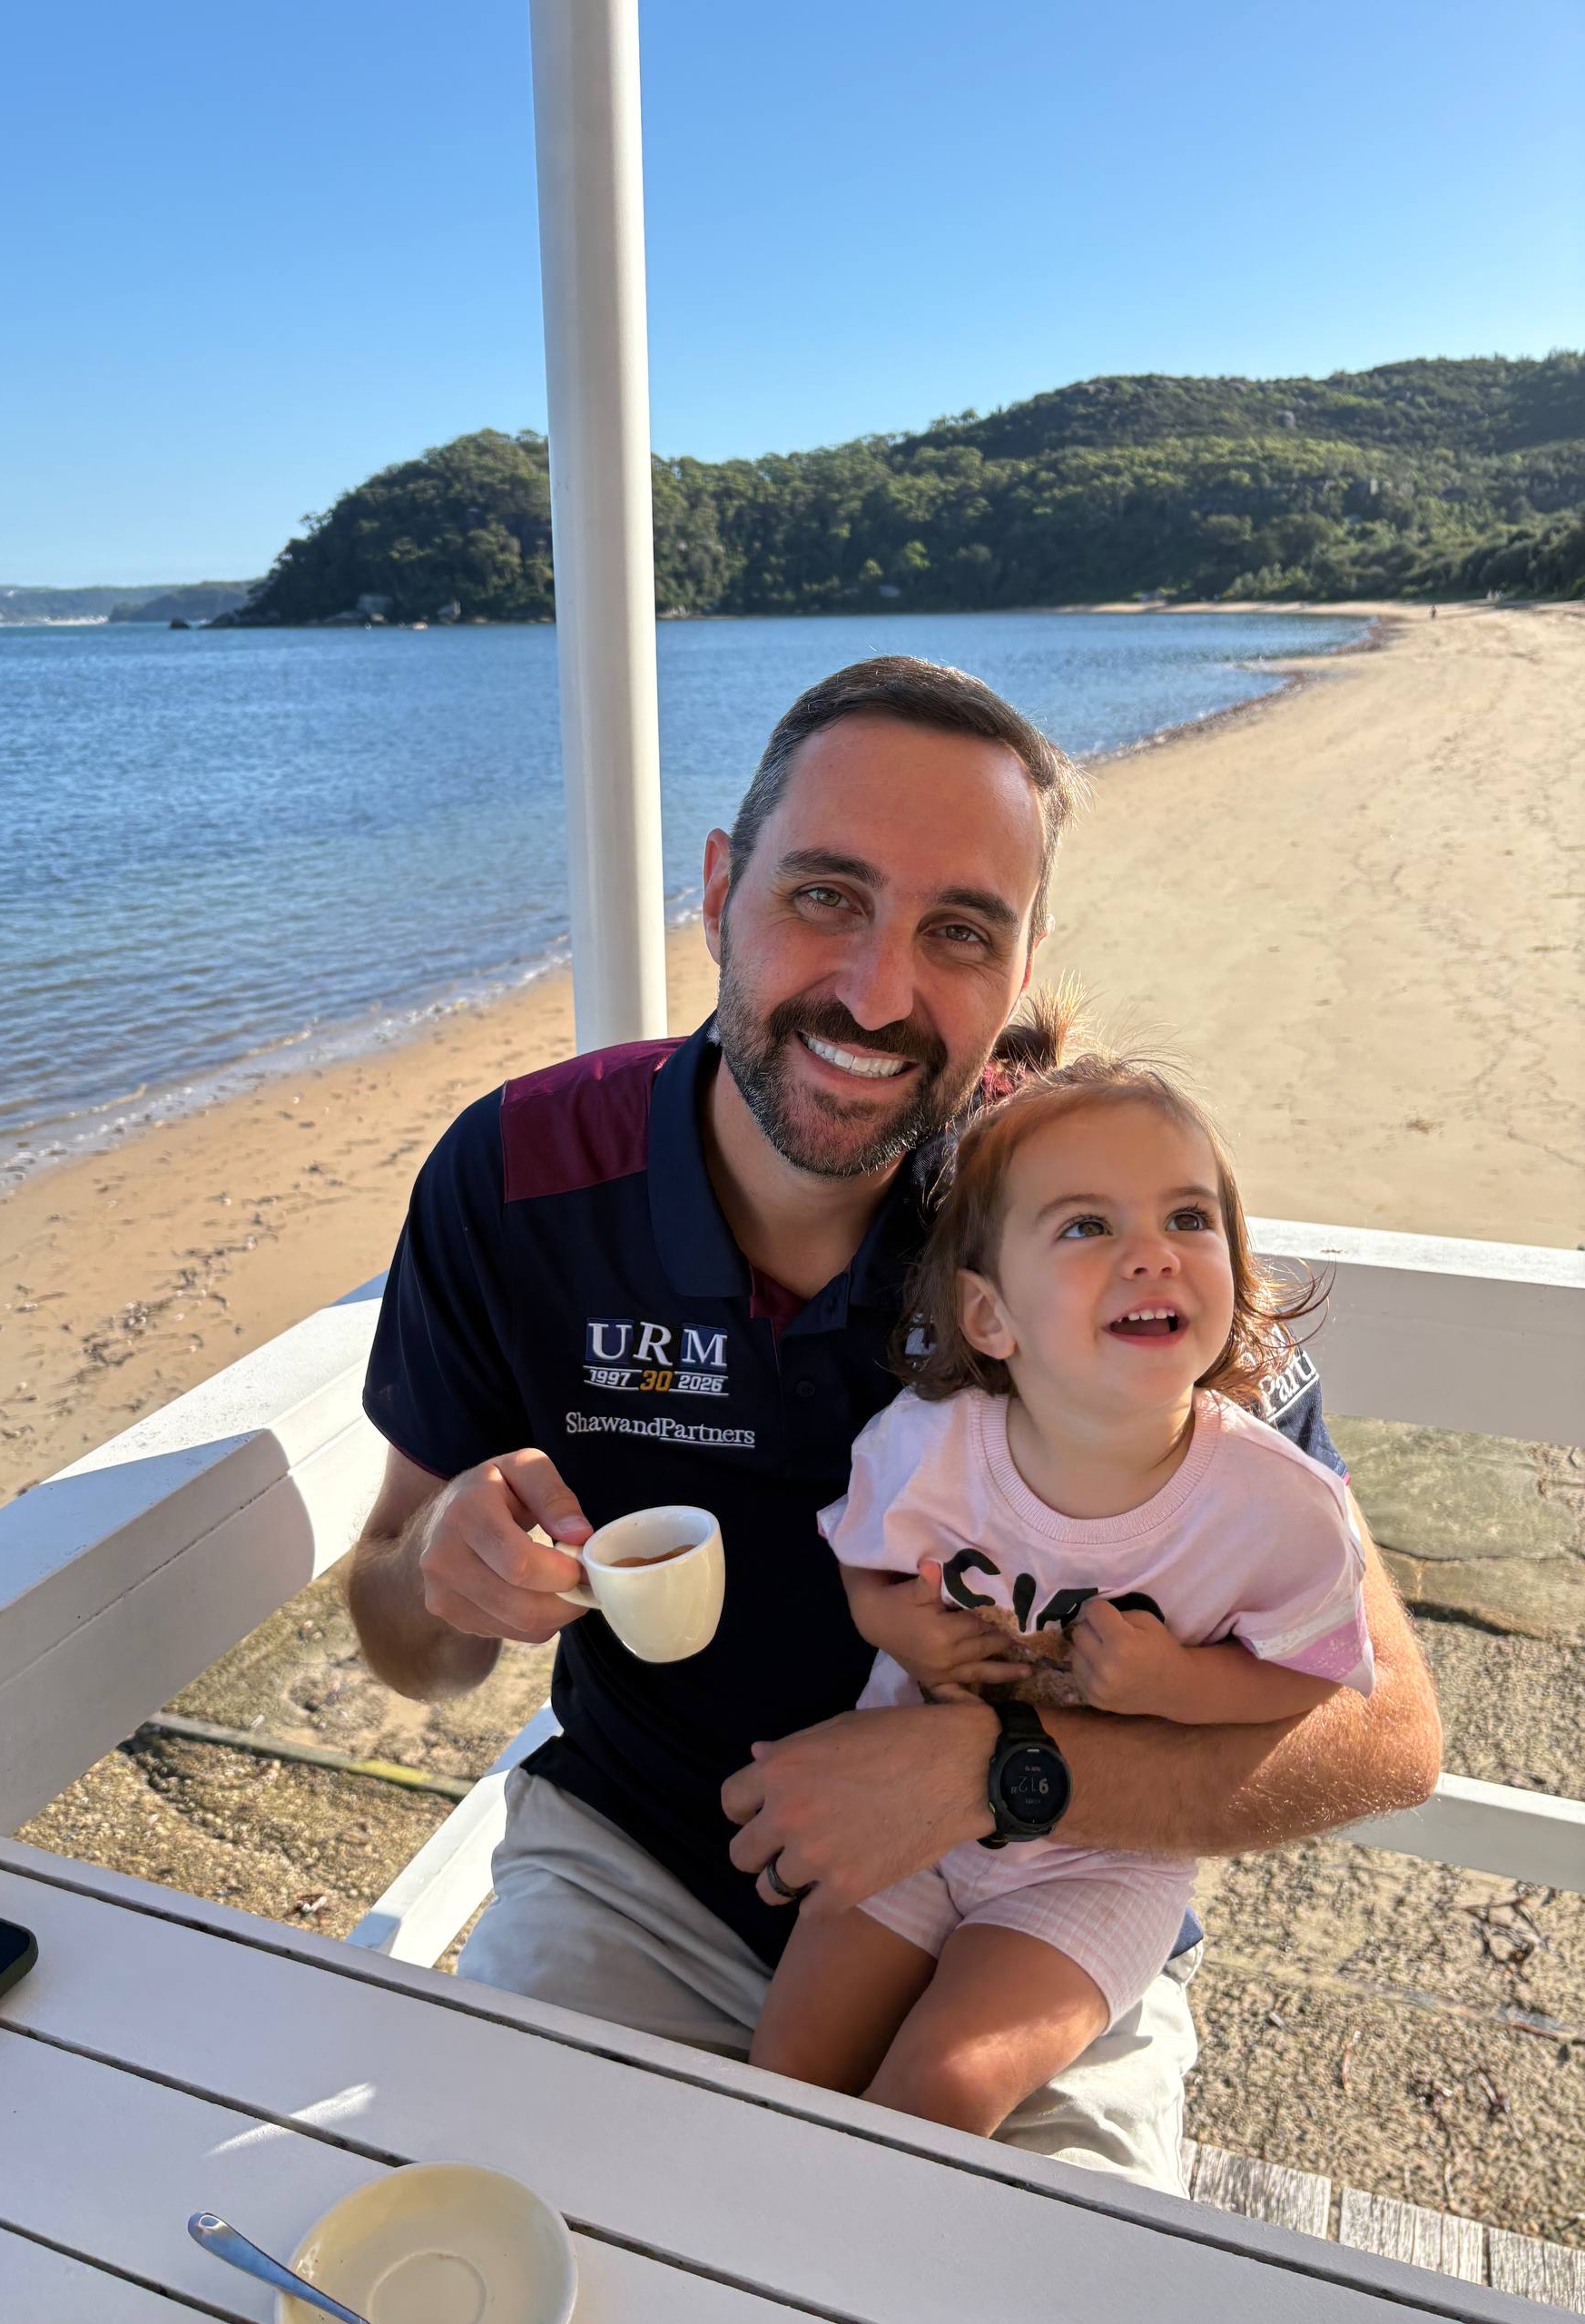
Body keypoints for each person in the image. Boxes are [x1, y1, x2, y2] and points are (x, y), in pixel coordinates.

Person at [348, 655, 1441, 2193]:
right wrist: (442, 1583)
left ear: (1020, 966)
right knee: (530, 2233)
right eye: (824, 896)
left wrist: (994, 1773)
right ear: (721, 887)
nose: (875, 992)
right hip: (640, 1873)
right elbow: (405, 1632)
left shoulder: (1097, 1220)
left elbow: (1381, 1737)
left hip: (1023, 1913)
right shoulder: (518, 1177)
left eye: (958, 931)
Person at [749, 997, 1372, 2136]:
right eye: (1085, 1227)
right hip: (909, 1814)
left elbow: (1318, 1670)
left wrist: (1177, 1685)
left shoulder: (1277, 1504)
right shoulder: (930, 1444)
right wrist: (905, 1631)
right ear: (990, 1316)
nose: (1152, 1251)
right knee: (788, 2065)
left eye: (1189, 1217)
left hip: (1104, 1858)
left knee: (943, 2084)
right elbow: (862, 1559)